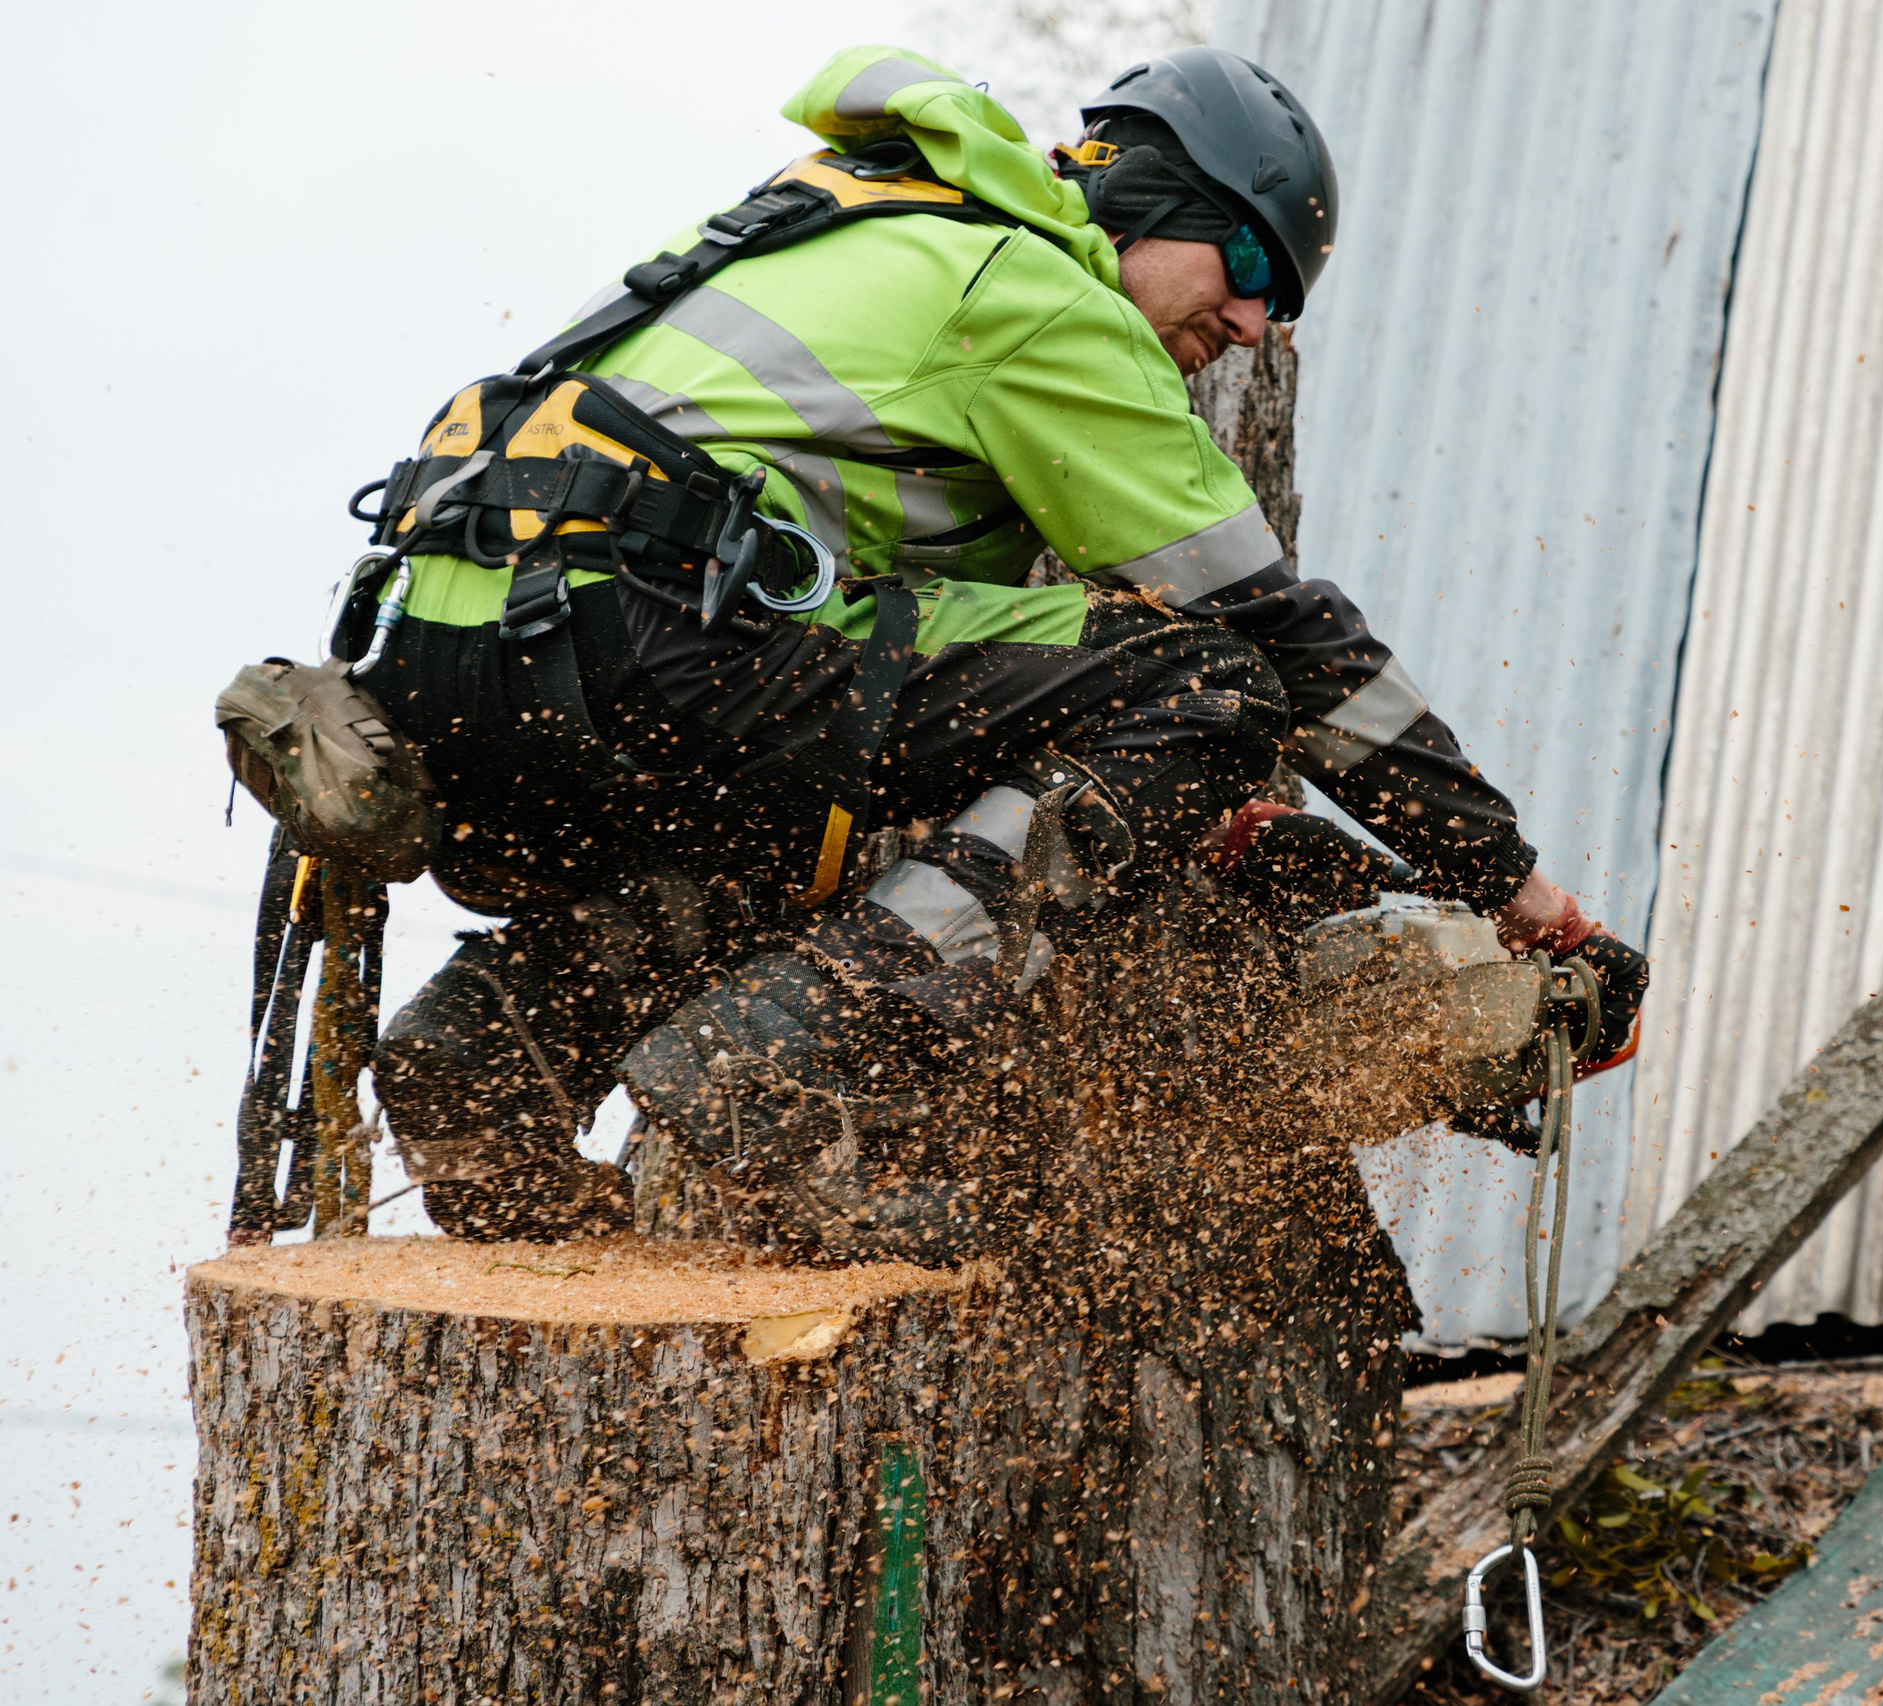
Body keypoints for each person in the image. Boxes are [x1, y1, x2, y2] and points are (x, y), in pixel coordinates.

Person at [358, 44, 1647, 1242]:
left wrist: (1189, 828)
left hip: (461, 665)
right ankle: (800, 1051)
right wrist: (1533, 908)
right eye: (1251, 272)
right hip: (632, 631)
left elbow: (919, 725)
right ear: (1152, 202)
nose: (1254, 328)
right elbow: (1280, 633)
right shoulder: (1031, 290)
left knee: (849, 828)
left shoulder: (849, 215)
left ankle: (487, 1053)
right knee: (1216, 679)